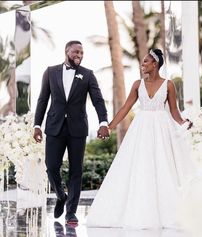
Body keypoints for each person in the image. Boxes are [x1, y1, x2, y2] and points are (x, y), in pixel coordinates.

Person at [86, 48, 193, 230]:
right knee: (140, 166)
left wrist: (184, 122)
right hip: (141, 129)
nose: (143, 65)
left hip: (161, 128)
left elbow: (174, 111)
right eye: (143, 62)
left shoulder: (168, 85)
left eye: (146, 61)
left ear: (155, 64)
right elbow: (125, 108)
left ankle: (165, 213)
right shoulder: (137, 84)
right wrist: (109, 126)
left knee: (162, 166)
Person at [33, 40, 109, 225]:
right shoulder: (50, 72)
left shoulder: (88, 75)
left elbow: (98, 100)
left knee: (76, 170)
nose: (79, 55)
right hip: (54, 126)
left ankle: (71, 213)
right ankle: (61, 195)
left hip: (77, 128)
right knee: (51, 166)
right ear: (66, 51)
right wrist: (37, 125)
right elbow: (43, 99)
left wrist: (103, 122)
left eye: (82, 53)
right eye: (76, 52)